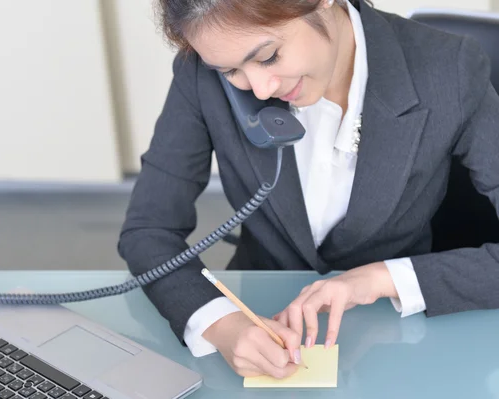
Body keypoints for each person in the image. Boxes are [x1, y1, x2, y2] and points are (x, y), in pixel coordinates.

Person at [118, 0, 499, 380]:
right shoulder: (202, 75)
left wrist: (380, 279)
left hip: (400, 329)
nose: (262, 89)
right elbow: (147, 231)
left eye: (269, 57)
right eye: (232, 70)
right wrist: (221, 324)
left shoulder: (450, 67)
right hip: (260, 310)